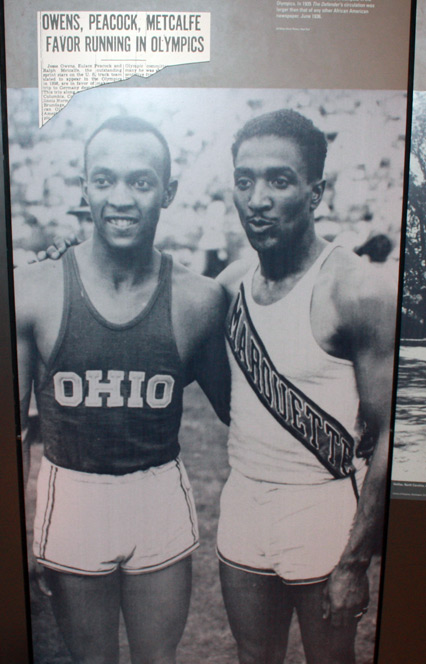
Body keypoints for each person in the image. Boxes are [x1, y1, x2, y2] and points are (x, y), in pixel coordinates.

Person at [14, 115, 229, 664]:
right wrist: (23, 529)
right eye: (104, 179)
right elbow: (9, 432)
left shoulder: (199, 300)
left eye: (140, 181)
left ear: (168, 191)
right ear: (84, 186)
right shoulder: (33, 289)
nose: (121, 198)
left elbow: (240, 413)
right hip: (74, 489)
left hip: (156, 490)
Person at [216, 110, 396, 664]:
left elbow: (396, 433)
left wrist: (355, 562)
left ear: (315, 191)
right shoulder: (228, 288)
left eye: (279, 180)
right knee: (254, 657)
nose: (258, 198)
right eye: (245, 181)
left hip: (323, 506)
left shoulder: (360, 290)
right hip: (244, 497)